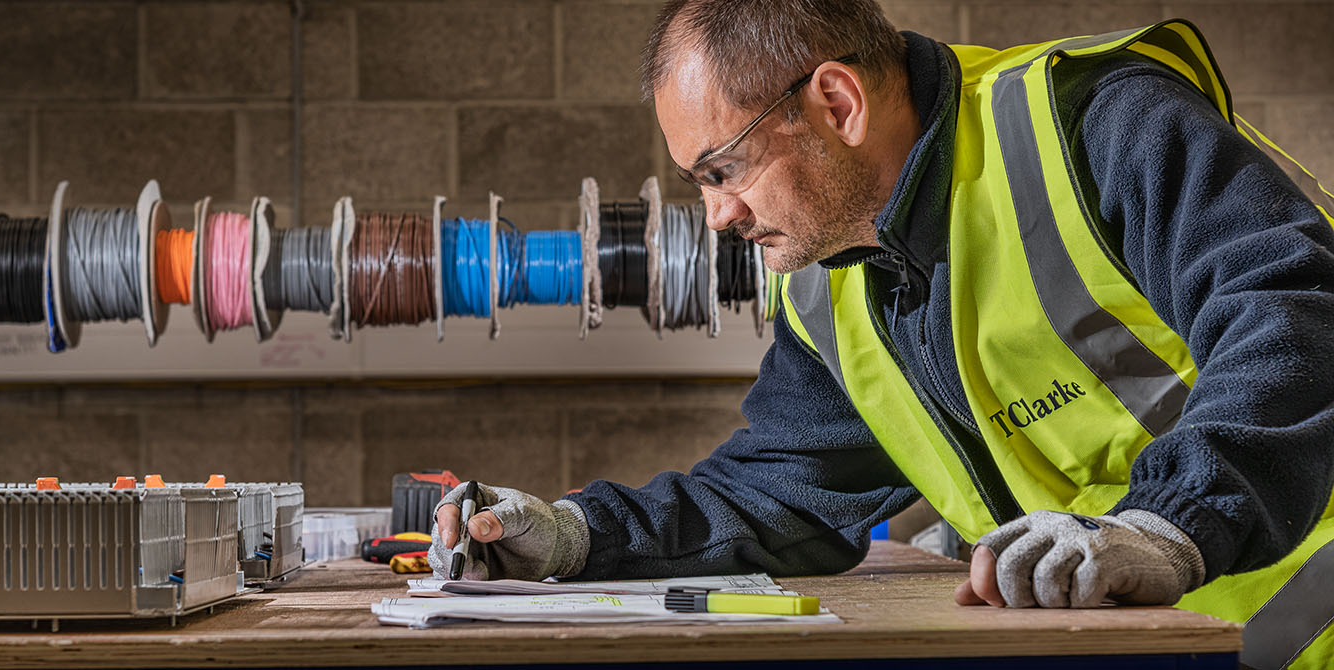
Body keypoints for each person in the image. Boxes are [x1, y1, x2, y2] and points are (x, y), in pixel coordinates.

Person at [427, 2, 1334, 667]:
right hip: (1139, 643)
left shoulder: (1094, 126)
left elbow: (1294, 315)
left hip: (1304, 619)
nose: (714, 216)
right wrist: (576, 535)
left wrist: (1168, 527)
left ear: (835, 100)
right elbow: (783, 490)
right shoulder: (832, 287)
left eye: (723, 169)